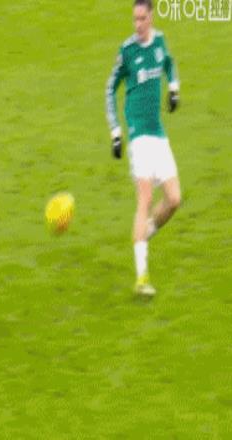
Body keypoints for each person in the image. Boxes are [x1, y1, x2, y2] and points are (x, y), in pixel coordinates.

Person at [106, 0, 181, 295]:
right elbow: (109, 89)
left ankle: (144, 234)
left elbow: (169, 64)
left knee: (174, 199)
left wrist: (173, 88)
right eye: (134, 19)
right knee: (145, 199)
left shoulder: (159, 42)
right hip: (138, 137)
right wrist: (116, 132)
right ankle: (141, 277)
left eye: (142, 19)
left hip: (158, 134)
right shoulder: (127, 51)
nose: (137, 25)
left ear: (151, 18)